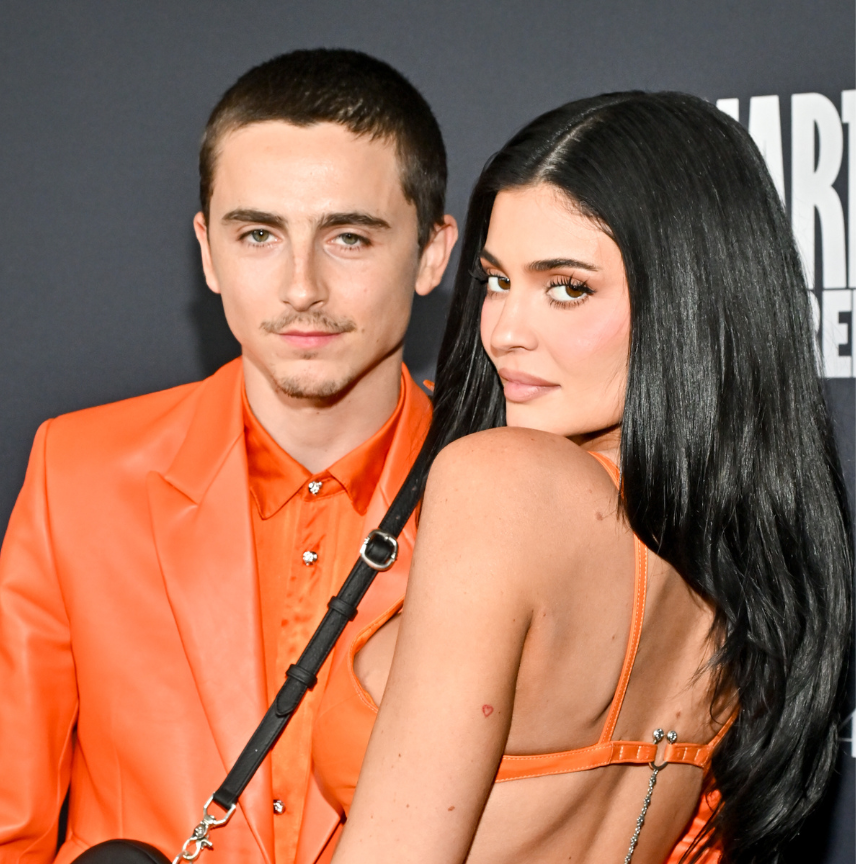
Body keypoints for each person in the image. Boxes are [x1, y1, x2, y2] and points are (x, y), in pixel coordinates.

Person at [306, 93, 853, 864]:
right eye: (496, 280)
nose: (505, 332)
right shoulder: (753, 568)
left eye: (568, 287)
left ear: (689, 302)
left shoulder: (499, 484)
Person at [0, 49, 457, 864]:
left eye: (349, 237)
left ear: (430, 253)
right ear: (207, 251)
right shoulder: (80, 475)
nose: (301, 286)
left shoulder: (512, 506)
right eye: (259, 235)